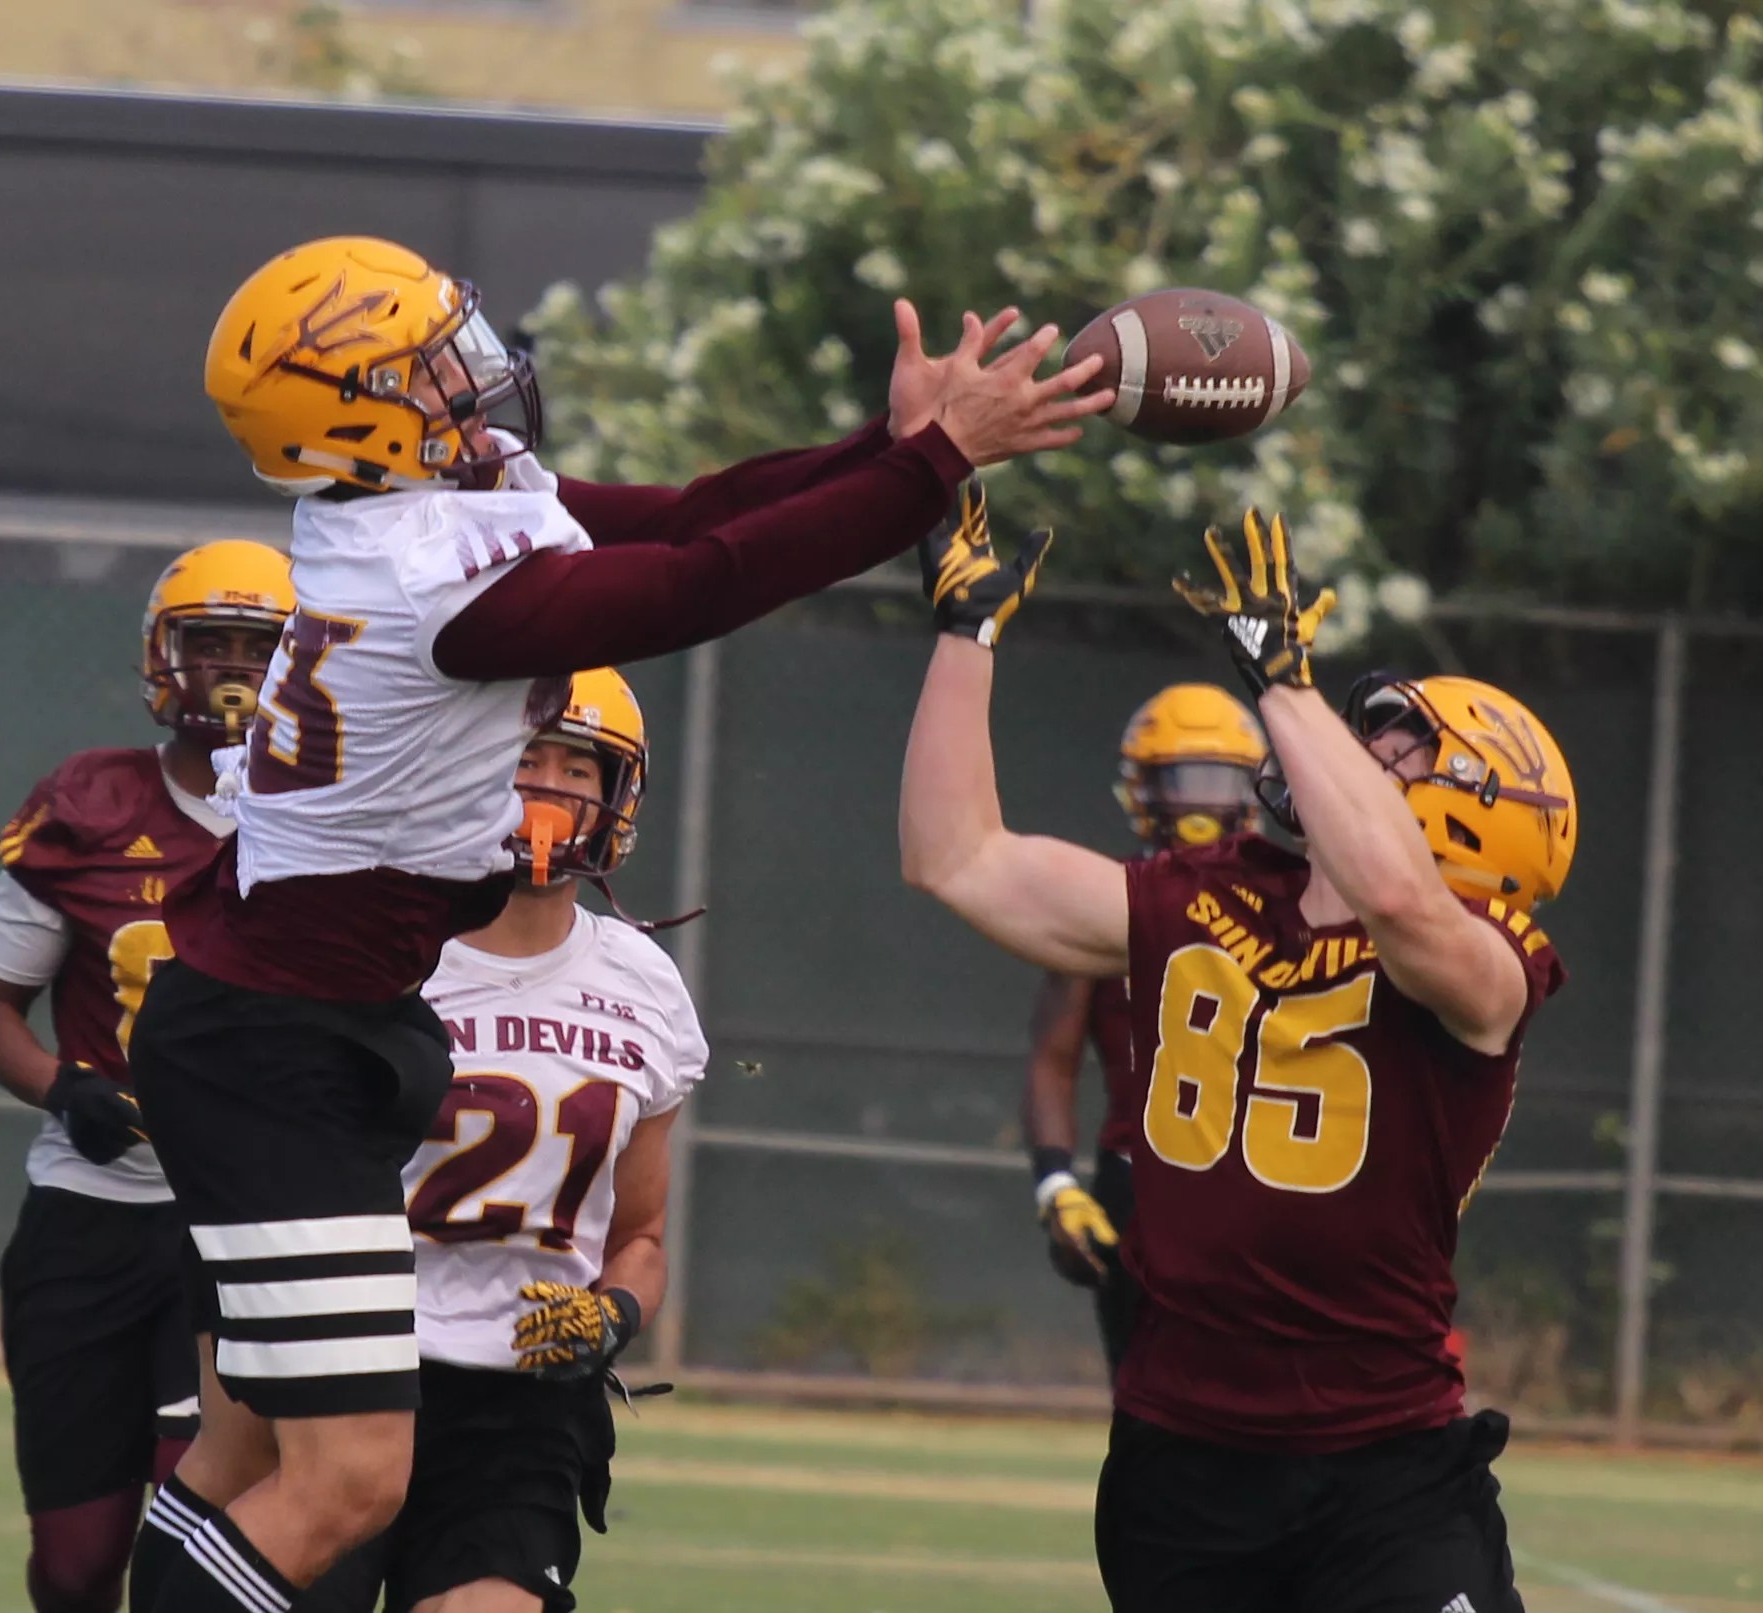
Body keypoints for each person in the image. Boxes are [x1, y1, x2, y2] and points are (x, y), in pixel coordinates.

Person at [125, 235, 1111, 1613]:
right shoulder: (430, 583)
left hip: (321, 1031)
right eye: (431, 365)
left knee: (245, 1463)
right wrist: (930, 466)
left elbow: (695, 511)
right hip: (271, 1052)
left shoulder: (418, 511)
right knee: (348, 1480)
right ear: (353, 412)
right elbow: (701, 584)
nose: (475, 377)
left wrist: (882, 445)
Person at [899, 495, 1575, 1612]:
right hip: (1181, 1460)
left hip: (1384, 1460)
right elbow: (953, 857)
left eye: (1392, 749)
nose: (1348, 752)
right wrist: (963, 638)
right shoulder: (1198, 895)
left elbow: (1401, 906)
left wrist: (1287, 684)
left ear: (1466, 820)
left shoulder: (1489, 962)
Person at [294, 668, 698, 1613]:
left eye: (576, 767)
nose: (550, 788)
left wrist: (615, 1318)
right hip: (350, 1360)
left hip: (521, 1393)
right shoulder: (375, 947)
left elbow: (639, 1236)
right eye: (524, 758)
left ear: (616, 795)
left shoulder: (644, 983)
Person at [0, 540, 292, 1613]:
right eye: (211, 643)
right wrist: (65, 1089)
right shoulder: (92, 803)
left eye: (258, 644)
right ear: (164, 654)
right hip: (90, 1215)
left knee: (189, 1537)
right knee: (73, 1561)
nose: (232, 666)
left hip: (242, 1225)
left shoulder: (332, 815)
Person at [1023, 683, 1265, 1375]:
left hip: (1267, 1184)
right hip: (1142, 1181)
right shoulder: (1110, 900)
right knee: (1148, 1402)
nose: (1197, 802)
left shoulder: (1293, 899)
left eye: (1217, 780)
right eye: (1179, 780)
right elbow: (1053, 1057)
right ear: (1140, 788)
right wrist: (1055, 1184)